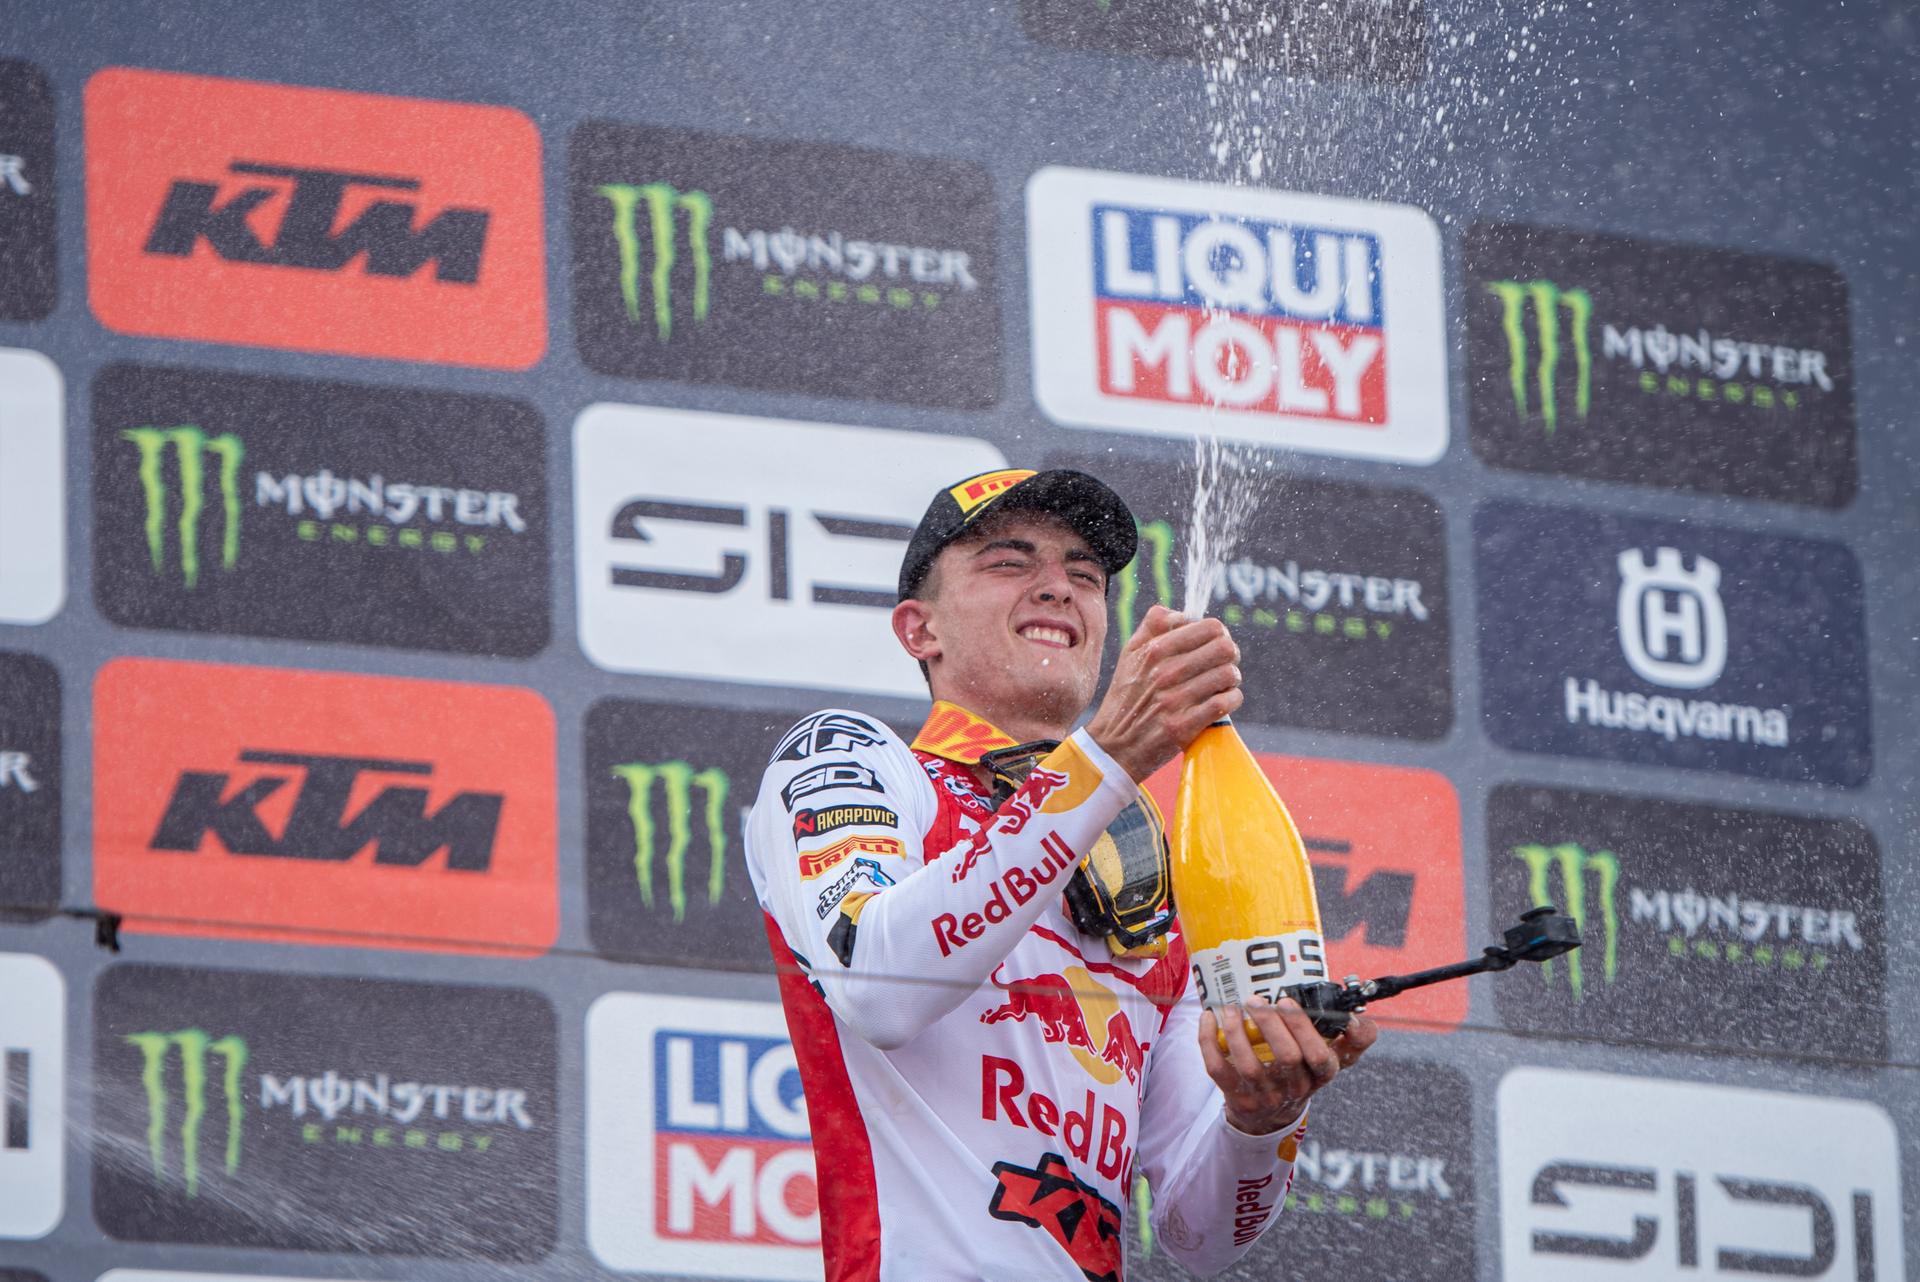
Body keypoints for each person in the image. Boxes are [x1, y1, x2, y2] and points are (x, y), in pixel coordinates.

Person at [745, 467, 1378, 1281]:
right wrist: (1108, 757)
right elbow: (880, 985)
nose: (1058, 588)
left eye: (1085, 575)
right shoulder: (854, 761)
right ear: (918, 630)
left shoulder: (1151, 886)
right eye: (1010, 562)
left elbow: (1204, 1238)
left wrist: (1264, 1118)